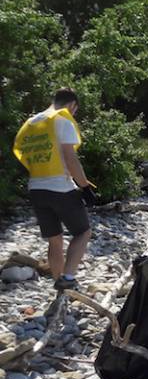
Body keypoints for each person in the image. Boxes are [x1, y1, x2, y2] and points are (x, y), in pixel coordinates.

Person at [12, 88, 96, 291]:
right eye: (75, 110)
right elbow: (70, 158)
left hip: (36, 187)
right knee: (83, 232)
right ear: (72, 105)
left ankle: (59, 283)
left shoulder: (31, 123)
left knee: (54, 239)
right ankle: (67, 277)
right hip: (60, 187)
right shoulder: (62, 120)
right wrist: (84, 186)